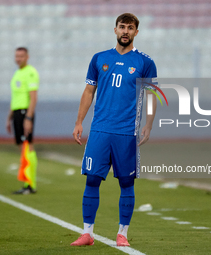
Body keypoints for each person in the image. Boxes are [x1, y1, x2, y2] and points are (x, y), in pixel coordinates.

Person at [71, 13, 157, 247]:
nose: (126, 31)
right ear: (115, 30)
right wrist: (79, 122)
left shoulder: (145, 62)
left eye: (130, 28)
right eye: (122, 27)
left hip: (126, 133)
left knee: (127, 184)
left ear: (136, 32)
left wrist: (148, 124)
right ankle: (87, 233)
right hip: (99, 131)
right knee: (91, 180)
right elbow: (89, 92)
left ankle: (122, 235)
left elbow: (152, 95)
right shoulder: (99, 59)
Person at [6, 47, 39, 195]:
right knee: (22, 146)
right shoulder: (17, 73)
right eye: (16, 56)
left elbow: (33, 98)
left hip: (25, 112)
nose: (18, 59)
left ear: (27, 57)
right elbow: (15, 98)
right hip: (17, 113)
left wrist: (28, 118)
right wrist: (9, 118)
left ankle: (30, 185)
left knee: (28, 146)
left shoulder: (30, 72)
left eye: (21, 56)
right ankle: (27, 183)